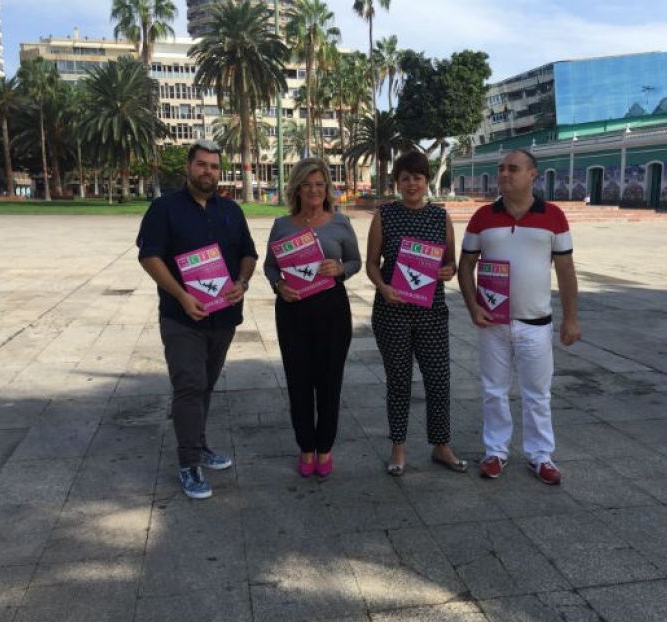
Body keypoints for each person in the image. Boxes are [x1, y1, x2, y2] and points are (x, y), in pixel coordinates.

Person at [136, 139, 258, 499]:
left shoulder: (231, 211)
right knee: (189, 384)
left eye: (214, 166)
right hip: (182, 317)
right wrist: (181, 295)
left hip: (223, 317)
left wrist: (242, 281)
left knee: (204, 384)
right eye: (202, 164)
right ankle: (188, 462)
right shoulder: (165, 208)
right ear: (189, 167)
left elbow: (248, 254)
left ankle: (199, 443)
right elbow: (150, 257)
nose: (208, 171)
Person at [458, 149, 581, 484]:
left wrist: (571, 318)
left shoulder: (553, 216)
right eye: (500, 169)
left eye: (513, 169)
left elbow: (566, 269)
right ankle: (495, 452)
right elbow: (465, 266)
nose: (504, 175)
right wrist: (473, 307)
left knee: (537, 393)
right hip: (492, 322)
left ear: (532, 175)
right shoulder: (482, 217)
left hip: (536, 323)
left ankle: (541, 456)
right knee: (493, 390)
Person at [366, 150, 466, 476]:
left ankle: (441, 445)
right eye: (405, 178)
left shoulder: (440, 217)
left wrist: (447, 271)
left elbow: (451, 262)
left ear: (426, 182)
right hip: (393, 311)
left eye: (418, 178)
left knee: (438, 381)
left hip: (431, 311)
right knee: (399, 382)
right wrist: (383, 287)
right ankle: (398, 447)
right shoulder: (384, 216)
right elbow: (371, 263)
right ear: (397, 181)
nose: (412, 184)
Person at [264, 157, 361, 479]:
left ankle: (325, 448)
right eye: (308, 184)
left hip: (332, 309)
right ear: (298, 188)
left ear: (327, 189)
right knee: (299, 382)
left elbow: (355, 260)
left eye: (320, 184)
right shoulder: (283, 225)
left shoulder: (340, 223)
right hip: (293, 311)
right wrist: (278, 285)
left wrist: (341, 269)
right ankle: (306, 448)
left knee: (330, 382)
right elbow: (270, 265)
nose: (314, 190)